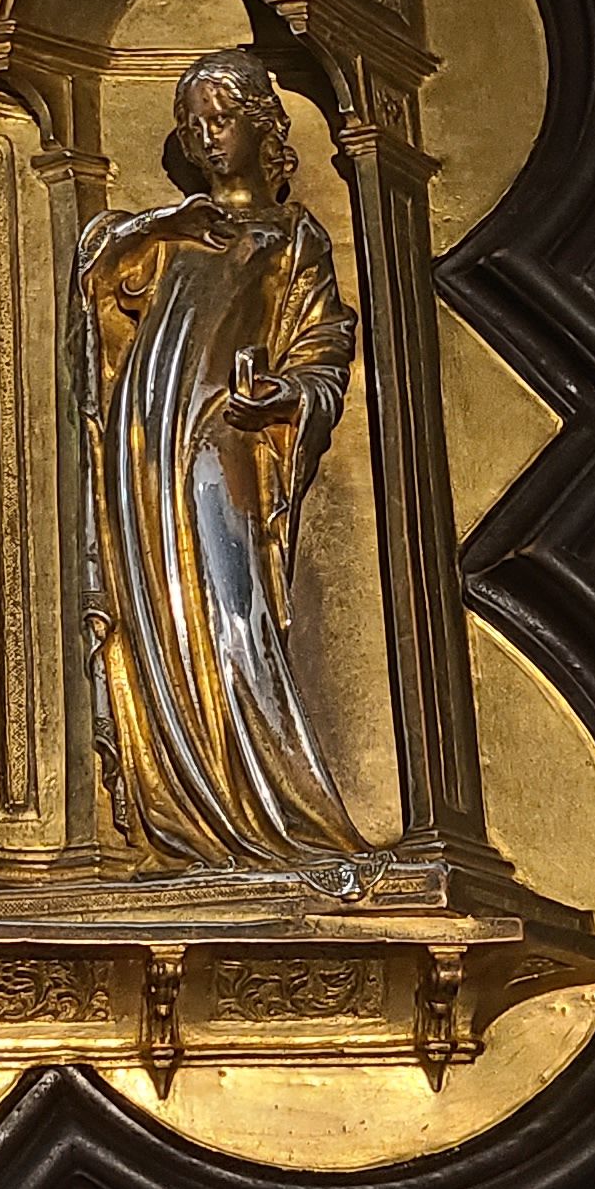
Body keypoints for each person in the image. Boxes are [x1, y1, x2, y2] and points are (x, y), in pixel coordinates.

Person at [77, 48, 376, 884]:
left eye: (222, 119)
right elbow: (96, 285)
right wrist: (165, 226)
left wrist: (287, 392)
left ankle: (277, 807)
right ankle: (180, 800)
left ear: (261, 126)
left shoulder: (292, 237)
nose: (207, 137)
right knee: (156, 611)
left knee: (232, 610)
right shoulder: (167, 234)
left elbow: (324, 345)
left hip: (223, 436)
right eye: (193, 124)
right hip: (142, 446)